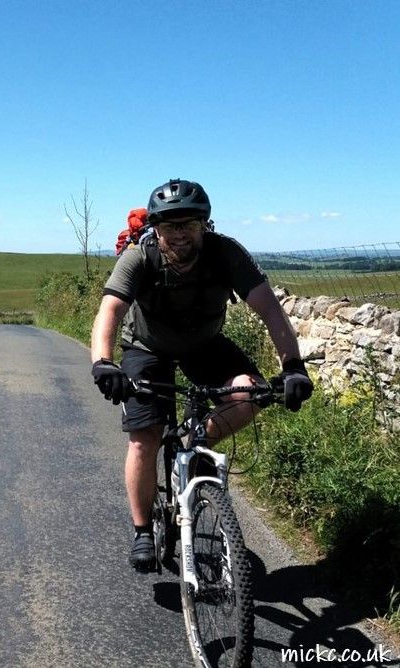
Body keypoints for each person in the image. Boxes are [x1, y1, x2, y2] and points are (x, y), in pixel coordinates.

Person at [89, 178, 314, 571]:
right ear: (156, 228)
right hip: (147, 348)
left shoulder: (225, 253)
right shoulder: (139, 258)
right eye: (170, 226)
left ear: (204, 225)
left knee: (250, 394)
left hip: (204, 344)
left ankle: (199, 442)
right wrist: (103, 363)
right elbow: (110, 311)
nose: (180, 234)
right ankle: (142, 530)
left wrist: (293, 367)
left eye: (190, 225)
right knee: (144, 437)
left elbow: (270, 310)